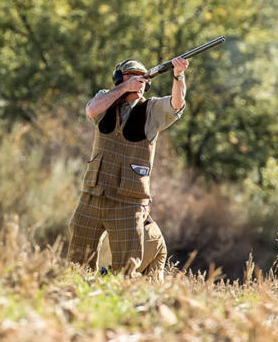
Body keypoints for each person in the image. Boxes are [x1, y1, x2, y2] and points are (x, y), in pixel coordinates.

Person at [67, 57, 188, 275]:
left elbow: (176, 105)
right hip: (94, 194)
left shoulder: (151, 110)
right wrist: (125, 88)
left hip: (128, 202)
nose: (138, 82)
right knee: (77, 264)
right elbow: (91, 110)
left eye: (142, 78)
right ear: (118, 80)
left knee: (125, 270)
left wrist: (178, 76)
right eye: (131, 76)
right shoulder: (105, 100)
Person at [97, 206, 168, 282]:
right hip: (148, 231)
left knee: (124, 274)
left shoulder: (148, 235)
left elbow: (126, 272)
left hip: (145, 231)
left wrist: (104, 273)